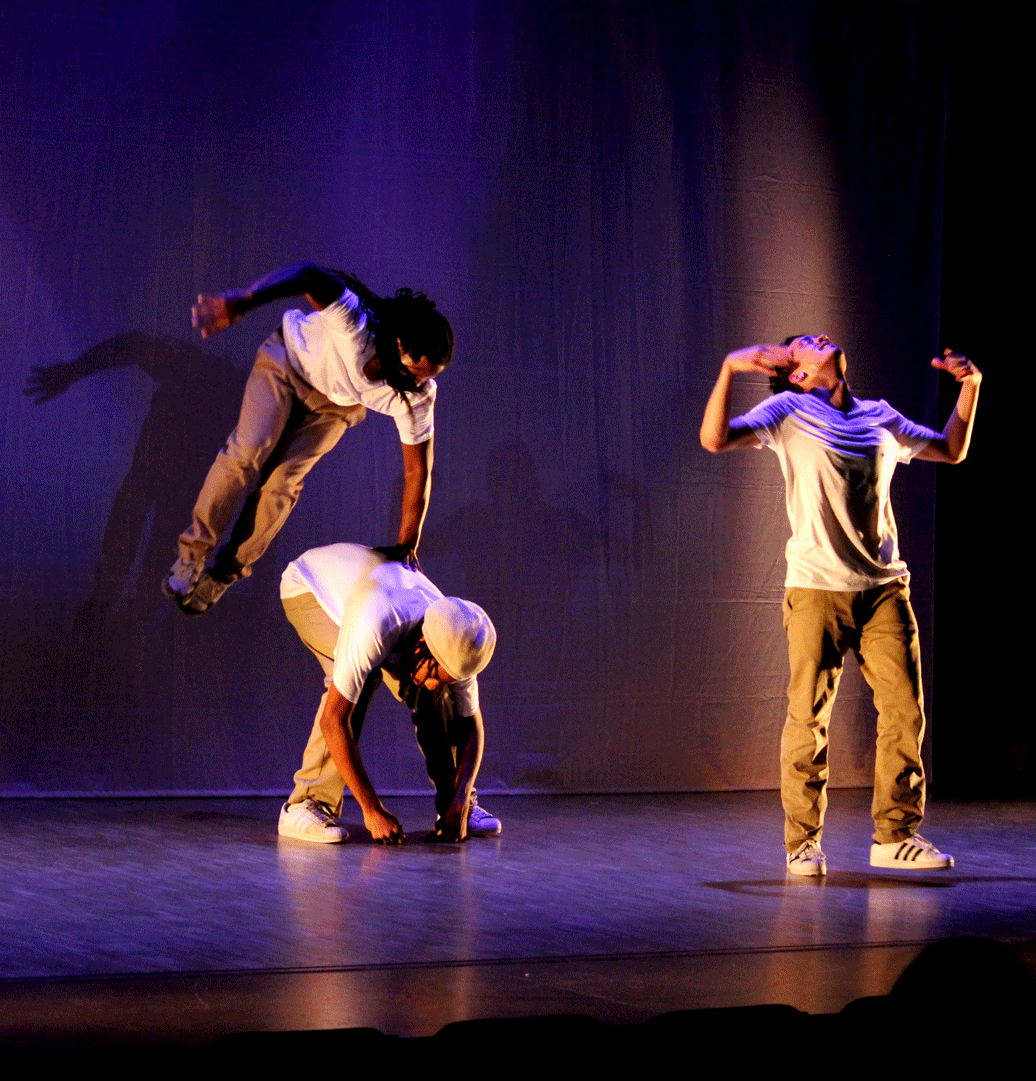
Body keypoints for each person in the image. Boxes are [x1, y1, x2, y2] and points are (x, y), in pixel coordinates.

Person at [700, 334, 981, 875]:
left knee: (905, 711)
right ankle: (802, 843)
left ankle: (895, 836)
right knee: (809, 717)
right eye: (806, 343)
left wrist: (971, 385)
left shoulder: (880, 415)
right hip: (816, 589)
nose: (819, 338)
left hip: (884, 589)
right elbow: (715, 439)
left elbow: (951, 449)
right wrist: (731, 367)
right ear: (797, 374)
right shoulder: (788, 409)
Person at [163, 263, 453, 613]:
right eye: (414, 373)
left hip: (332, 407)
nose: (419, 384)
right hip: (287, 364)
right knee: (248, 451)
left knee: (282, 485)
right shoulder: (356, 324)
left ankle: (226, 572)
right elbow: (309, 276)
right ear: (398, 344)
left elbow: (417, 472)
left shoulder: (416, 397)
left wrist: (407, 545)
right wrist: (242, 301)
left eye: (427, 377)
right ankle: (192, 555)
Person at [278, 542, 501, 843]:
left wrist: (460, 798)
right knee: (356, 684)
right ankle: (306, 803)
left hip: (375, 599)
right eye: (433, 673)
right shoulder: (375, 623)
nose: (432, 681)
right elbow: (333, 720)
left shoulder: (459, 639)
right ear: (422, 644)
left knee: (437, 697)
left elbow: (471, 725)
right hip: (309, 587)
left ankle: (453, 808)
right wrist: (372, 809)